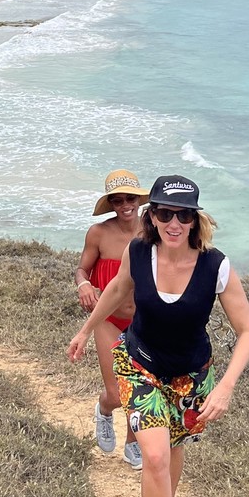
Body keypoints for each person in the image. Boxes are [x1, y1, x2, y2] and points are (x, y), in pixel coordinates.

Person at [68, 174, 249, 497]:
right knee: (153, 456)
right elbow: (117, 289)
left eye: (184, 215)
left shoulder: (215, 265)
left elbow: (247, 330)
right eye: (166, 214)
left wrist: (225, 387)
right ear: (152, 216)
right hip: (141, 366)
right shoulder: (139, 252)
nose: (175, 223)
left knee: (172, 446)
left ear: (195, 219)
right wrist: (85, 331)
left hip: (191, 376)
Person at [74, 170, 150, 468]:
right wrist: (84, 284)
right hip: (107, 318)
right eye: (117, 200)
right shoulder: (98, 233)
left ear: (139, 200)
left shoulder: (154, 230)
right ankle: (104, 411)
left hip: (145, 321)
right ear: (111, 204)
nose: (125, 205)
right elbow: (82, 269)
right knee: (117, 394)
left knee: (140, 389)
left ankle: (133, 444)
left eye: (130, 198)